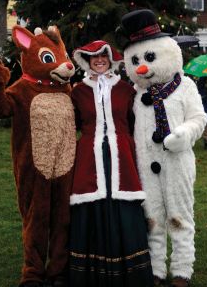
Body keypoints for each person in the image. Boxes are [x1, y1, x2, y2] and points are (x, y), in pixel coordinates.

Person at [69, 40, 154, 287]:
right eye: (93, 57)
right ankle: (89, 271)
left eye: (102, 57)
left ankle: (131, 270)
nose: (98, 61)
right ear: (86, 60)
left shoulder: (126, 89)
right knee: (91, 200)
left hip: (121, 155)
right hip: (89, 154)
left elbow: (135, 120)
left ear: (110, 59)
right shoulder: (78, 91)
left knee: (123, 200)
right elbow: (72, 123)